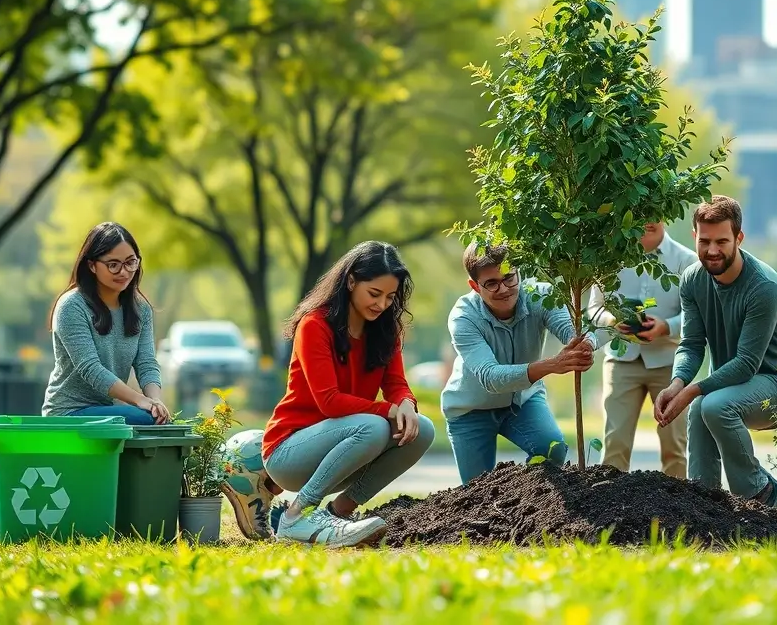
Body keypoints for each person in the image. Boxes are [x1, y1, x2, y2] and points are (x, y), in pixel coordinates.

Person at [262, 241, 434, 547]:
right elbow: (328, 401)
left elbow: (395, 383)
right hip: (289, 451)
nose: (381, 305)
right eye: (374, 294)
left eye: (390, 297)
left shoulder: (385, 328)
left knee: (422, 429)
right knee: (375, 425)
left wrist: (405, 404)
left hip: (347, 445)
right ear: (351, 280)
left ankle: (337, 513)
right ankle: (295, 517)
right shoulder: (315, 325)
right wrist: (388, 411)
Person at [653, 196, 777, 506]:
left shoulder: (764, 286)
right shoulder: (692, 279)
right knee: (701, 408)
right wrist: (676, 383)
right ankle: (703, 504)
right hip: (729, 386)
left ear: (739, 238)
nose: (712, 250)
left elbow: (747, 363)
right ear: (694, 236)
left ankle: (761, 492)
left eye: (722, 241)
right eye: (704, 241)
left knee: (712, 405)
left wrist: (692, 391)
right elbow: (691, 344)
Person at [443, 241, 597, 483]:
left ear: (519, 272)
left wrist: (586, 345)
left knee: (551, 449)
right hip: (470, 410)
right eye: (491, 283)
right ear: (474, 286)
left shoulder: (542, 295)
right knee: (476, 493)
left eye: (509, 278)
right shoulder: (463, 317)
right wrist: (553, 365)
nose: (503, 289)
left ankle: (532, 504)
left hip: (524, 400)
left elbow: (574, 331)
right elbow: (490, 377)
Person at [586, 220, 696, 478]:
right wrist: (613, 321)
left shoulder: (686, 260)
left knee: (675, 447)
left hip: (670, 364)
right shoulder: (610, 260)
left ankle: (679, 510)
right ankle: (610, 508)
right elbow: (595, 308)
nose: (647, 220)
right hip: (621, 360)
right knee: (615, 445)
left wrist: (666, 327)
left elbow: (697, 314)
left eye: (654, 213)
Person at [42, 222, 170, 426]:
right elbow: (90, 368)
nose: (124, 272)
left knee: (156, 418)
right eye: (113, 265)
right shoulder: (72, 306)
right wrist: (140, 400)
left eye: (131, 262)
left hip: (105, 411)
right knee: (143, 418)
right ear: (92, 265)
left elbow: (146, 363)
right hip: (68, 413)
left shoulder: (141, 309)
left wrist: (155, 402)